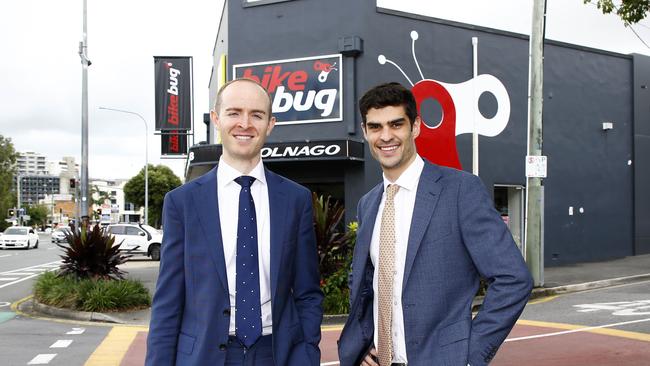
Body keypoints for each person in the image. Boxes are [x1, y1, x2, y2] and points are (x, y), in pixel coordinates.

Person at [337, 82, 533, 366]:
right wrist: (366, 343)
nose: (386, 136)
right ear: (366, 132)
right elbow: (366, 282)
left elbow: (514, 279)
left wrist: (469, 355)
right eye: (376, 127)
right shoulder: (369, 203)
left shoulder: (460, 191)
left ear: (415, 126)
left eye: (396, 124)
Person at [146, 78, 323, 366]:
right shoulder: (182, 202)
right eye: (234, 113)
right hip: (203, 355)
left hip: (277, 355)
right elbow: (168, 301)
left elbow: (307, 292)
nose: (245, 123)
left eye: (257, 114)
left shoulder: (296, 199)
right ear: (216, 119)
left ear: (270, 124)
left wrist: (306, 355)